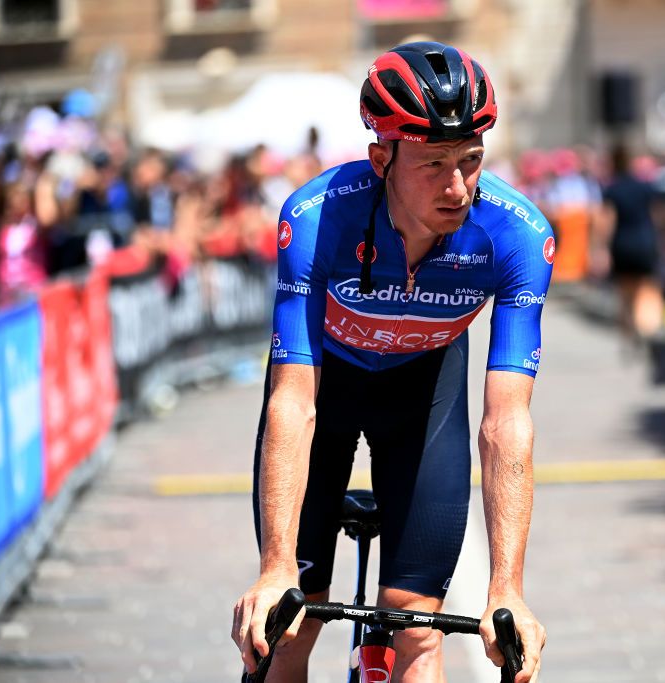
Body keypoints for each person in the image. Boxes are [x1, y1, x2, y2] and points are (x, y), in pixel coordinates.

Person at [232, 41, 551, 683]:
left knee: (418, 630)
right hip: (329, 384)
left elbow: (505, 422)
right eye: (433, 163)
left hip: (426, 394)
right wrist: (275, 569)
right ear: (382, 158)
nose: (457, 186)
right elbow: (294, 400)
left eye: (471, 160)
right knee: (290, 628)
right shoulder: (318, 217)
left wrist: (507, 589)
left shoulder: (517, 235)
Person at [596, 143, 664, 351]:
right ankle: (646, 329)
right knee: (646, 287)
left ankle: (629, 330)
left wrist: (601, 248)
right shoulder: (645, 187)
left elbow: (606, 221)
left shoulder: (612, 190)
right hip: (645, 241)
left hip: (622, 244)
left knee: (625, 292)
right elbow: (660, 215)